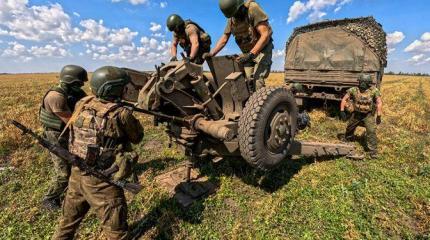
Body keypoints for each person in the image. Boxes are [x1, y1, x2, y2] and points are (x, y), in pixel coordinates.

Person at [52, 66, 144, 240]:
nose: (126, 89)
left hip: (77, 173)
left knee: (67, 223)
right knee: (116, 231)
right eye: (123, 87)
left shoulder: (83, 103)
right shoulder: (120, 114)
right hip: (102, 180)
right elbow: (137, 137)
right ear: (114, 89)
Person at [39, 65, 88, 210]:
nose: (82, 85)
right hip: (56, 136)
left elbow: (88, 102)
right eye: (79, 82)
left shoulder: (75, 91)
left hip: (68, 133)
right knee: (63, 171)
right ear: (70, 81)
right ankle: (49, 199)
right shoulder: (56, 96)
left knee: (76, 162)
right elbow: (71, 121)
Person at [207, 0, 273, 90]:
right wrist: (211, 54)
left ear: (240, 6)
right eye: (233, 15)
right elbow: (224, 38)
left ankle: (262, 102)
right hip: (247, 53)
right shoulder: (232, 18)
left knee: (257, 81)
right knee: (248, 82)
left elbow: (265, 34)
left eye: (236, 13)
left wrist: (251, 54)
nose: (235, 16)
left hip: (263, 49)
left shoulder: (252, 8)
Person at [340, 74, 383, 159]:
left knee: (371, 131)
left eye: (365, 82)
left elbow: (379, 102)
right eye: (361, 82)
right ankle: (348, 139)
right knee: (350, 127)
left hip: (368, 115)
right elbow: (344, 99)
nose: (362, 84)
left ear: (369, 83)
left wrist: (379, 115)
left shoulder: (374, 91)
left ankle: (373, 151)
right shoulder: (354, 90)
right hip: (356, 114)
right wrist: (342, 111)